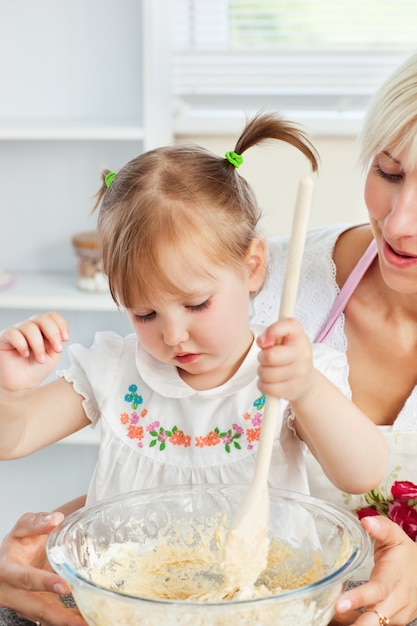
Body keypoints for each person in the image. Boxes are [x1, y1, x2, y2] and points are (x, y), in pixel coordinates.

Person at [0, 113, 387, 625]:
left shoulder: (286, 372)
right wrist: (11, 393)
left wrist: (307, 387)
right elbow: (12, 439)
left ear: (252, 266)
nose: (172, 334)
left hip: (266, 601)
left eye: (196, 304)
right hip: (130, 604)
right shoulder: (117, 370)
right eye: (145, 313)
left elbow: (363, 473)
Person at [250, 52, 417, 626]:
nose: (398, 222)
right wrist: (50, 546)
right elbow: (168, 451)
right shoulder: (275, 281)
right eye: (390, 173)